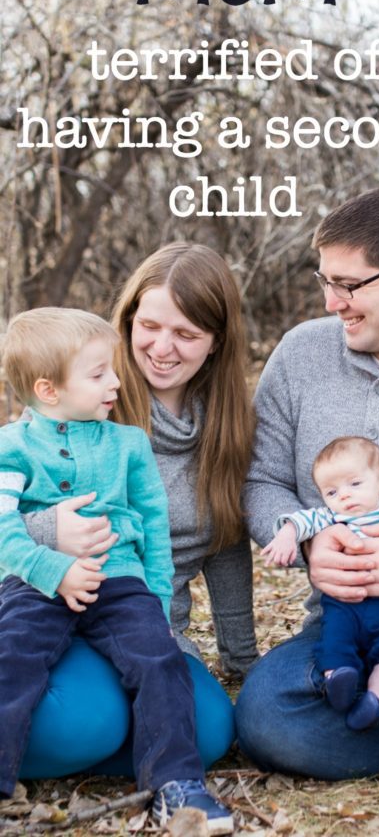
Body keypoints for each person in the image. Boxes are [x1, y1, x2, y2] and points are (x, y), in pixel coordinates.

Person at [236, 186, 379, 782]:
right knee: (264, 718)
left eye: (348, 284)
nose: (331, 301)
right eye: (325, 280)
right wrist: (311, 545)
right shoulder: (300, 356)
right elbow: (261, 482)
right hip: (345, 617)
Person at [16, 243, 257, 781]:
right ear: (126, 320)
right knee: (87, 723)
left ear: (217, 343)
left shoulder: (224, 430)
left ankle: (126, 747)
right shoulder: (80, 398)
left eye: (186, 334)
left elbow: (225, 546)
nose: (161, 348)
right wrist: (51, 528)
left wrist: (242, 662)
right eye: (148, 325)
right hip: (55, 610)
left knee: (213, 730)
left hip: (150, 626)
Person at [0, 307, 233, 832]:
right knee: (13, 657)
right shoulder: (11, 447)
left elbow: (153, 524)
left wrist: (155, 602)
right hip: (35, 582)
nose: (116, 381)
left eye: (112, 368)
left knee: (159, 663)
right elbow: (3, 529)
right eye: (99, 373)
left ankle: (177, 785)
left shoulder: (128, 443)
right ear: (49, 390)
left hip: (120, 581)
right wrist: (50, 569)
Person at [261, 436, 379, 730]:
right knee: (334, 639)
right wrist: (287, 534)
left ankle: (374, 702)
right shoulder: (332, 517)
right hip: (344, 604)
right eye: (332, 491)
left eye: (355, 484)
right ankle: (338, 678)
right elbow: (302, 520)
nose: (344, 496)